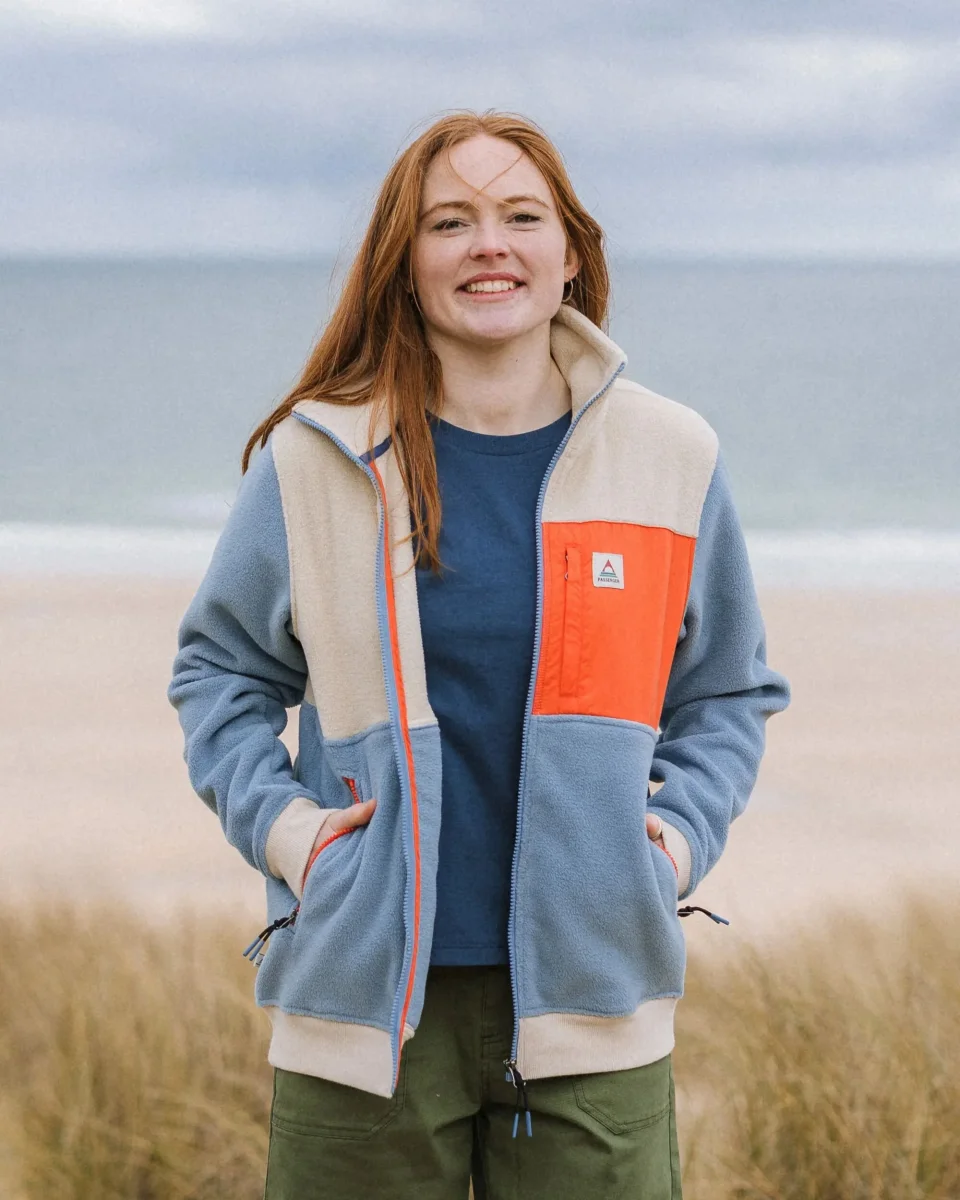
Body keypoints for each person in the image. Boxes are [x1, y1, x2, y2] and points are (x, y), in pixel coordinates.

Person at [168, 110, 790, 1199]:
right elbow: (220, 673)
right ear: (405, 263)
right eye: (449, 221)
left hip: (594, 991)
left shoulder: (669, 455)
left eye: (521, 217)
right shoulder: (317, 457)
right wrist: (290, 836)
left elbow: (728, 690)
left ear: (571, 252)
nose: (488, 245)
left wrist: (679, 843)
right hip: (363, 998)